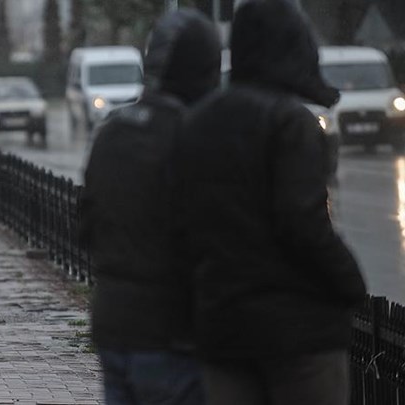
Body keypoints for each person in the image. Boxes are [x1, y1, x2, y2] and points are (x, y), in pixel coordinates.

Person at [173, 1, 367, 404]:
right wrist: (349, 281)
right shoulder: (289, 122)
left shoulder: (197, 121)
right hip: (297, 332)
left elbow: (178, 223)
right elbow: (303, 223)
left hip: (222, 326)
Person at [79, 9, 220, 405]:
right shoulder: (197, 135)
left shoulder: (113, 132)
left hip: (115, 326)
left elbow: (86, 227)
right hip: (174, 336)